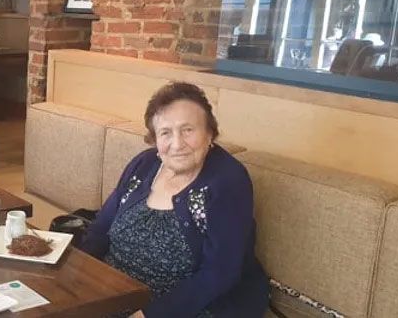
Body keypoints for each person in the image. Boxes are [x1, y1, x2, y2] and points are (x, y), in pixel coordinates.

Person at [81, 82, 269, 317]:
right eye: (166, 133)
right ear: (155, 140)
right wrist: (76, 274)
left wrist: (149, 314)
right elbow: (100, 229)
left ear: (210, 133)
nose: (177, 144)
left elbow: (219, 273)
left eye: (188, 130)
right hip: (115, 292)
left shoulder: (227, 181)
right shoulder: (144, 164)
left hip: (186, 307)